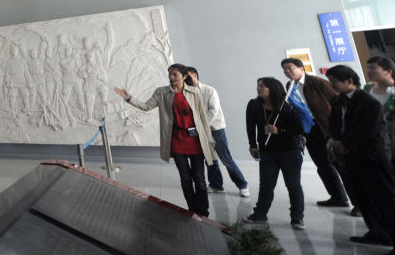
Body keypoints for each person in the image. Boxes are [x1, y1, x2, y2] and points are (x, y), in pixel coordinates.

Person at [114, 63, 214, 217]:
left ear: (184, 76)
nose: (171, 77)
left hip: (195, 140)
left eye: (174, 74)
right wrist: (129, 98)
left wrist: (209, 138)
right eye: (169, 74)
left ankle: (203, 212)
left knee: (199, 179)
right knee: (185, 178)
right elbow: (146, 106)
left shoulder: (194, 92)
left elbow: (202, 118)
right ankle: (192, 210)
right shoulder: (161, 92)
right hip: (176, 140)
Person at [325, 65, 395, 255]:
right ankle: (377, 233)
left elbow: (369, 129)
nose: (332, 85)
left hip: (372, 156)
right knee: (363, 198)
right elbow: (334, 123)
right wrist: (336, 140)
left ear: (349, 81)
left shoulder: (369, 102)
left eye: (335, 82)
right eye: (330, 81)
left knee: (385, 199)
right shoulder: (338, 100)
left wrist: (346, 143)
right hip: (351, 157)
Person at [280, 58, 350, 208]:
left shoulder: (317, 82)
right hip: (309, 128)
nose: (287, 71)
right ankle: (338, 197)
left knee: (340, 164)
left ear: (301, 68)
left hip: (326, 127)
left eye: (290, 68)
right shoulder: (290, 86)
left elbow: (337, 102)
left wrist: (338, 126)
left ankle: (358, 203)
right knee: (322, 163)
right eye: (284, 69)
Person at [244, 77, 305, 228]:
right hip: (267, 151)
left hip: (290, 151)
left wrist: (280, 131)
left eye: (262, 86)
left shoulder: (287, 105)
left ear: (272, 89)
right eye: (258, 86)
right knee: (266, 185)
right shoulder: (254, 105)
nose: (258, 89)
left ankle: (297, 217)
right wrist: (252, 145)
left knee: (293, 185)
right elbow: (250, 126)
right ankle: (260, 214)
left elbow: (300, 129)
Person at [186, 66, 249, 197]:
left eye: (188, 77)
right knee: (210, 159)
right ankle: (216, 185)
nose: (186, 80)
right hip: (200, 130)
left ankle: (243, 185)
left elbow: (213, 111)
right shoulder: (186, 92)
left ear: (195, 75)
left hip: (215, 129)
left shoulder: (209, 90)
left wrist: (202, 126)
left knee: (226, 158)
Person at [364, 55, 395, 166]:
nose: (369, 71)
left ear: (388, 71)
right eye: (368, 68)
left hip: (390, 140)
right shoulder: (367, 88)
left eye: (373, 68)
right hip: (372, 139)